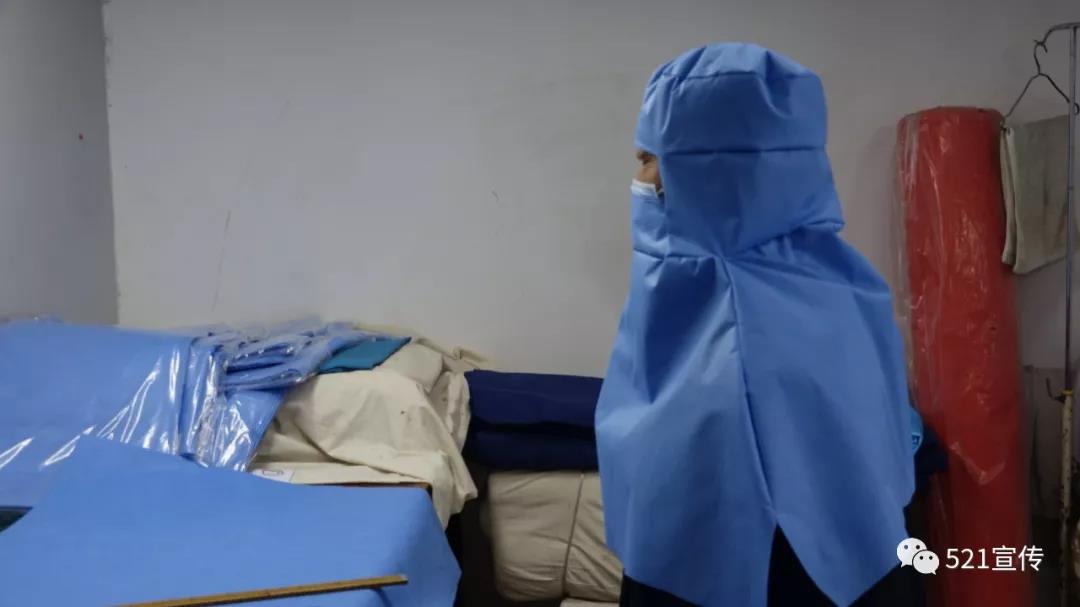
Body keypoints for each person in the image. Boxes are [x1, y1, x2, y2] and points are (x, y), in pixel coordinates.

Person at [596, 43, 917, 606]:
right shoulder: (841, 284)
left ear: (713, 174)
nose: (640, 179)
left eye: (650, 158)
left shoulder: (728, 319)